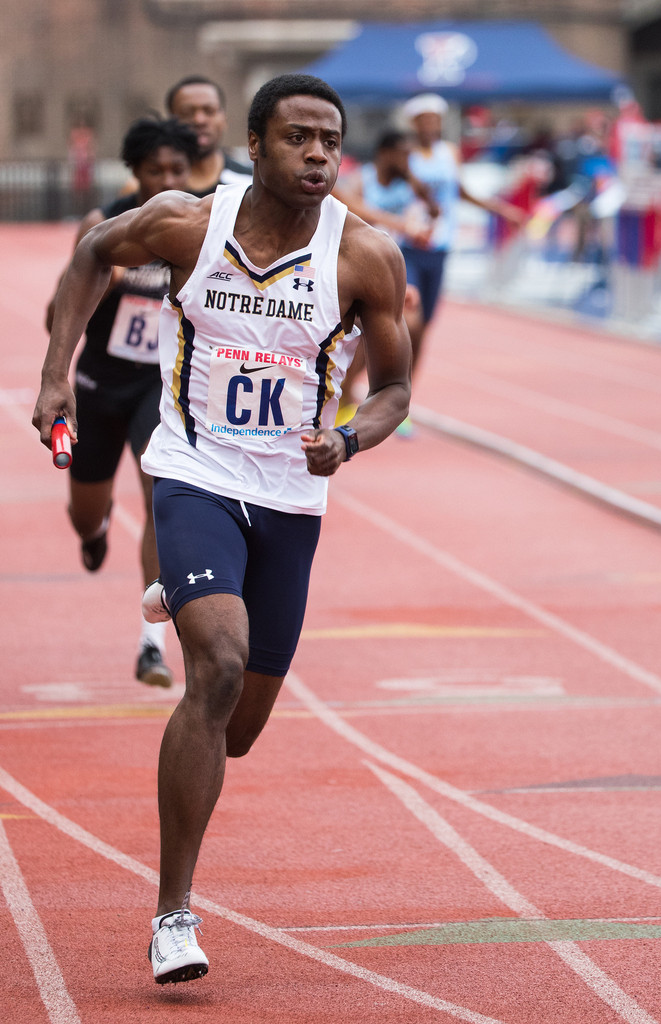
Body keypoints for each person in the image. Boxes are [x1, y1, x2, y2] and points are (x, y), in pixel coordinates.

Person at [33, 73, 411, 985]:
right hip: (195, 470)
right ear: (254, 145)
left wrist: (351, 437)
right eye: (297, 139)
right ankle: (173, 913)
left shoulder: (365, 256)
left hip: (291, 495)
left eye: (330, 140)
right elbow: (92, 254)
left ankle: (192, 594)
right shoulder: (188, 223)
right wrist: (55, 374)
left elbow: (396, 389)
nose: (317, 155)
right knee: (218, 664)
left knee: (237, 728)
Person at [44, 116, 199, 689]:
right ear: (132, 173)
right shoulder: (104, 224)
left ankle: (151, 644)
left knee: (160, 494)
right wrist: (103, 281)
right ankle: (95, 527)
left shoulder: (198, 227)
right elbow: (53, 315)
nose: (166, 179)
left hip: (159, 386)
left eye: (176, 170)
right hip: (97, 385)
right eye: (154, 170)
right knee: (85, 512)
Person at [400, 94, 524, 409]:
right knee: (409, 320)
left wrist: (500, 210)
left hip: (440, 249)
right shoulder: (405, 155)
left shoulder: (449, 154)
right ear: (414, 123)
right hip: (409, 247)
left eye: (435, 120)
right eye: (424, 120)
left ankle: (405, 395)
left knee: (424, 325)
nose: (431, 126)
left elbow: (462, 192)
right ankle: (391, 389)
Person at [334, 128, 439, 417]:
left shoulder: (407, 183)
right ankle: (346, 402)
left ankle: (400, 399)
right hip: (358, 263)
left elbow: (434, 211)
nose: (409, 160)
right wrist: (401, 224)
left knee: (413, 327)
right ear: (385, 154)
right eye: (403, 154)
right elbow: (352, 210)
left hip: (393, 265)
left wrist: (415, 185)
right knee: (358, 336)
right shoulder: (362, 180)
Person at [165, 75, 252, 197]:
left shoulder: (249, 185)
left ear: (224, 119)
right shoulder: (151, 190)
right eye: (187, 113)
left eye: (209, 111)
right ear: (169, 121)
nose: (199, 120)